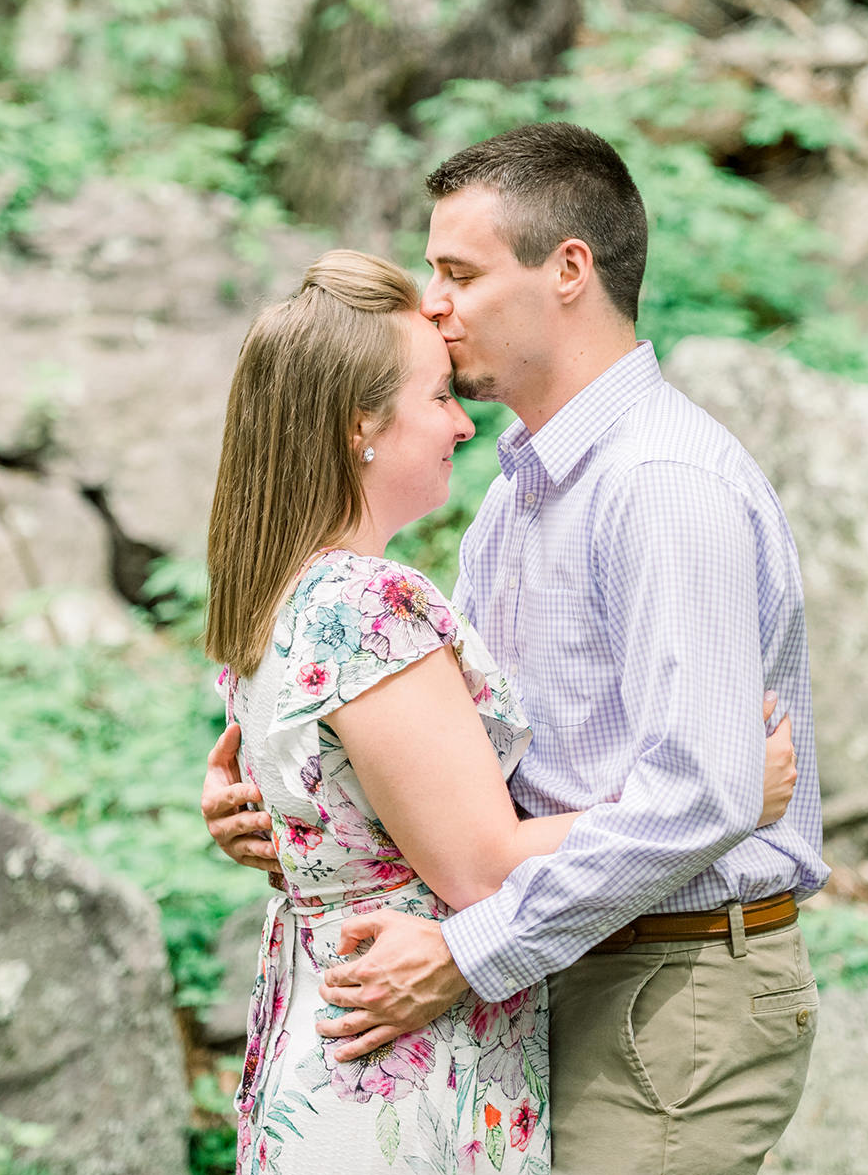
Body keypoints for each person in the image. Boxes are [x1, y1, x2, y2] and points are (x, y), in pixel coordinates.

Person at [204, 122, 828, 1175]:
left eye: (459, 272)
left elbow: (701, 794)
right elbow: (447, 759)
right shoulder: (516, 497)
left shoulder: (663, 486)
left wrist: (463, 951)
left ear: (569, 270)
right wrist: (301, 799)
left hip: (667, 985)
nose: (434, 303)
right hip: (555, 962)